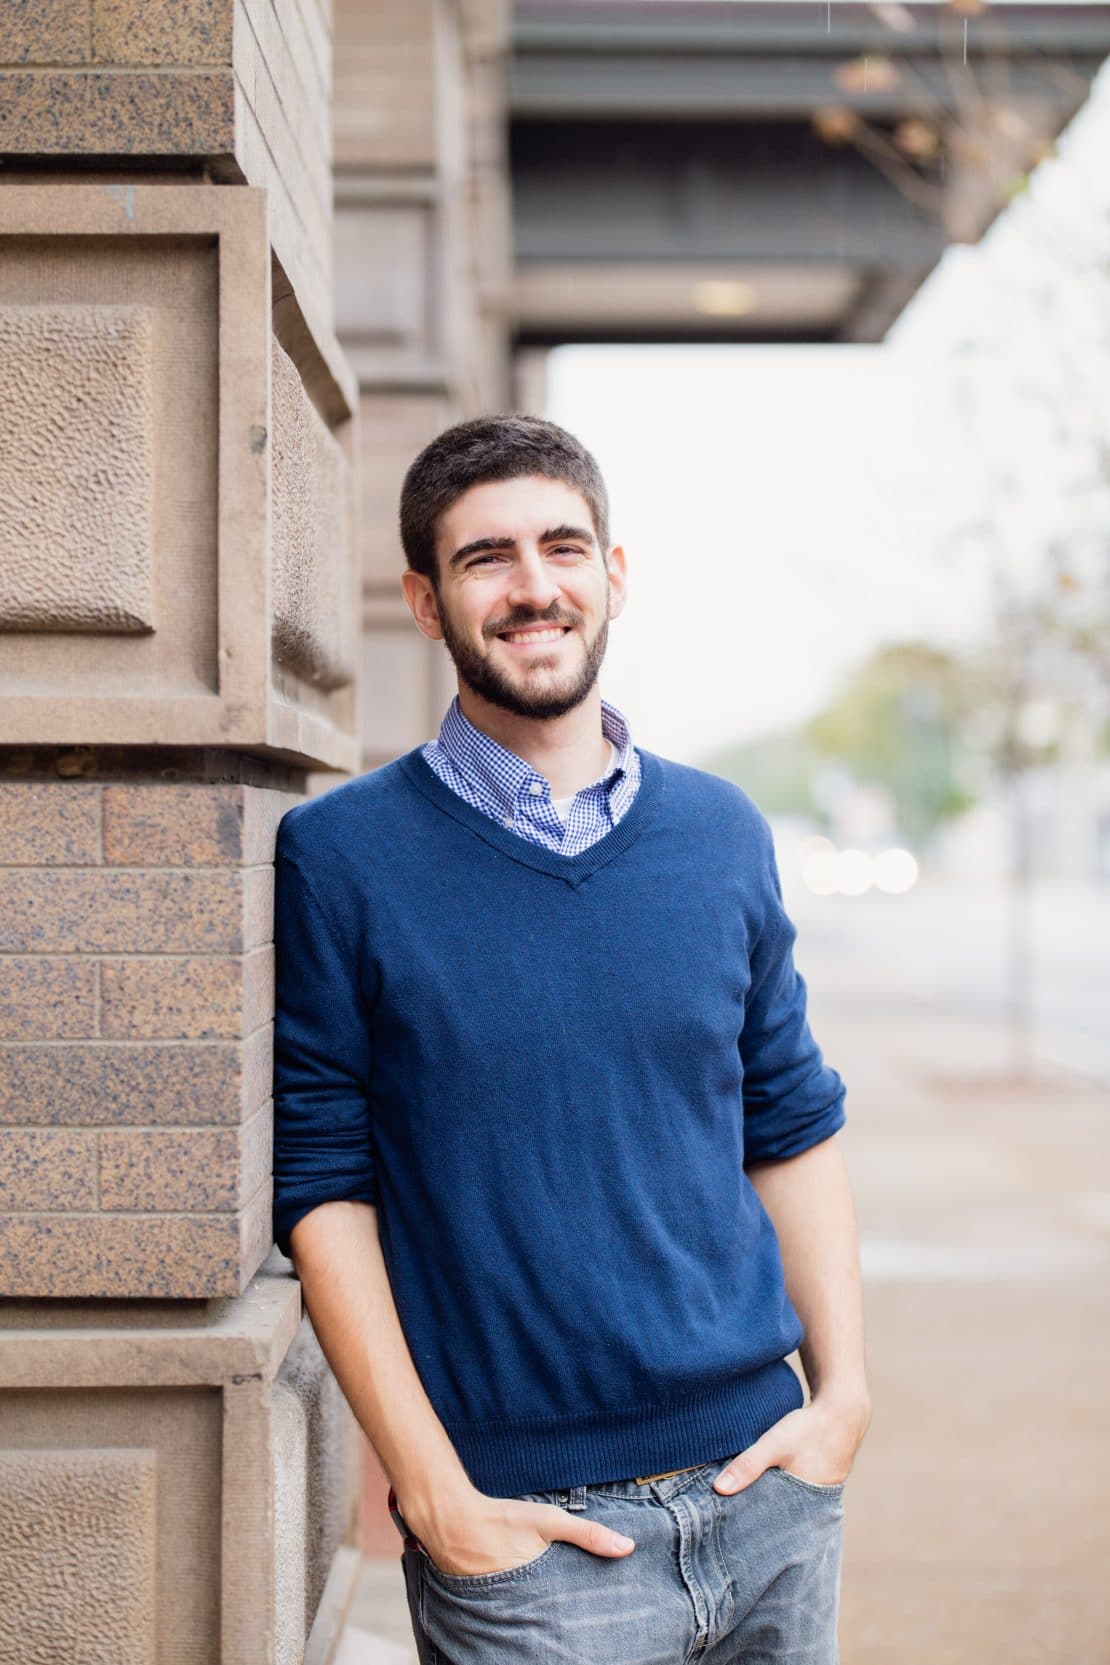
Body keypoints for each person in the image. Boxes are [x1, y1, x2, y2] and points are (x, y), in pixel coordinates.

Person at [272, 415, 870, 1665]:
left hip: (767, 1494)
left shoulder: (721, 833)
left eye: (563, 547)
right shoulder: (342, 860)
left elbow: (792, 1121)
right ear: (425, 602)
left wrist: (844, 1399)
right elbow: (323, 1188)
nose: (534, 586)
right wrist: (429, 1490)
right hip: (530, 1546)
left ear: (614, 574)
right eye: (487, 558)